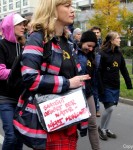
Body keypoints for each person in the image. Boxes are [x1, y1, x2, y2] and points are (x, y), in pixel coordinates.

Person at [14, 0, 91, 149]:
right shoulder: (37, 38)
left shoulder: (68, 41)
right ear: (52, 9)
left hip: (69, 119)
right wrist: (68, 83)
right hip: (49, 124)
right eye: (67, 6)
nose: (73, 10)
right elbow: (30, 79)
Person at [98, 31, 133, 141]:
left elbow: (123, 69)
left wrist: (129, 83)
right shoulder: (102, 53)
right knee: (110, 108)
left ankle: (106, 128)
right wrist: (101, 87)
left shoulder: (119, 53)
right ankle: (101, 129)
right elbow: (98, 72)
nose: (120, 39)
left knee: (111, 109)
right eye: (118, 38)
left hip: (115, 85)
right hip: (105, 85)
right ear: (112, 40)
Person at [0, 13, 26, 150]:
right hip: (5, 98)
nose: (23, 27)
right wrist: (19, 71)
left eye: (24, 24)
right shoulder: (1, 45)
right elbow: (0, 72)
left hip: (21, 99)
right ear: (10, 26)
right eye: (19, 24)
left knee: (19, 136)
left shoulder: (24, 46)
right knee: (10, 136)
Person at [78, 30, 100, 150]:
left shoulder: (94, 57)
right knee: (70, 127)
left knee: (93, 125)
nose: (91, 49)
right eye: (88, 45)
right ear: (82, 42)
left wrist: (96, 99)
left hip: (88, 94)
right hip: (73, 94)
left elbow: (94, 80)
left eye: (93, 46)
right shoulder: (73, 53)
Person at [91, 26, 102, 117]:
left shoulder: (102, 45)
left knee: (96, 91)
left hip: (99, 71)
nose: (96, 34)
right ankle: (94, 108)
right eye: (94, 32)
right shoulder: (89, 44)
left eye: (98, 32)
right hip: (90, 70)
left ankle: (96, 108)